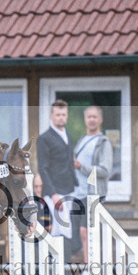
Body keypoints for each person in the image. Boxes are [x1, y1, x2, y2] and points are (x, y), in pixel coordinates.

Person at [71, 105, 113, 275]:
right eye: (89, 116)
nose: (92, 119)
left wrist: (82, 167)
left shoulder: (104, 142)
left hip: (94, 194)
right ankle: (87, 270)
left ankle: (90, 272)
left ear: (100, 120)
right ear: (85, 119)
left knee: (86, 232)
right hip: (77, 193)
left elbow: (105, 170)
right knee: (79, 235)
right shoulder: (81, 141)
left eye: (95, 117)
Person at [37, 99, 79, 259]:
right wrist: (53, 194)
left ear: (67, 116)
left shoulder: (67, 135)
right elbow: (43, 168)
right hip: (55, 192)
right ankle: (56, 269)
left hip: (69, 189)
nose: (61, 117)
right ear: (51, 116)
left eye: (63, 114)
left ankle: (65, 268)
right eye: (58, 114)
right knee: (57, 230)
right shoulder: (44, 138)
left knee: (67, 230)